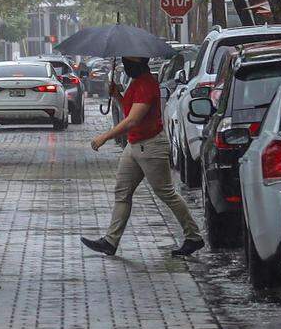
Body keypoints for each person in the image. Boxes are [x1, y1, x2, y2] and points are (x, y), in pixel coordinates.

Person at [81, 56, 204, 258]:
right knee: (122, 192)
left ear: (139, 63)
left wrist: (105, 137)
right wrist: (118, 95)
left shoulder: (146, 84)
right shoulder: (136, 82)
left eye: (129, 63)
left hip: (151, 146)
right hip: (135, 144)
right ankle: (110, 241)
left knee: (166, 193)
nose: (126, 67)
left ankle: (193, 236)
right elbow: (130, 111)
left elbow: (133, 120)